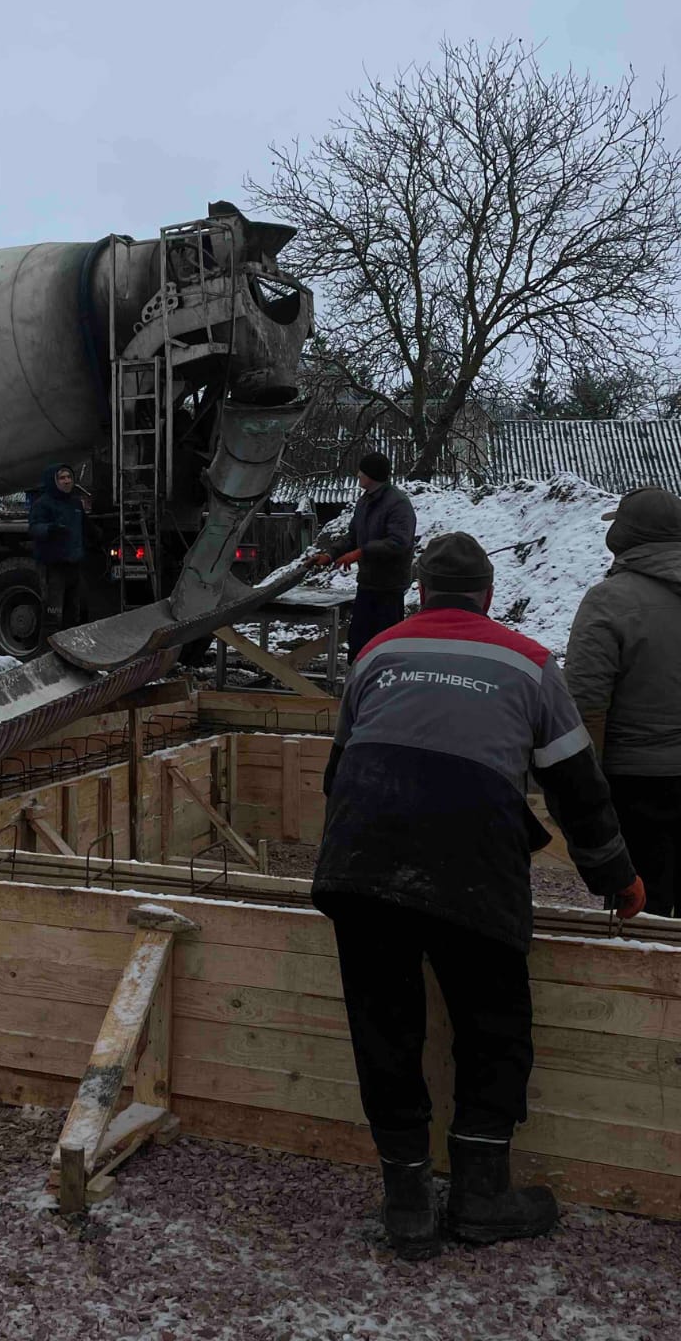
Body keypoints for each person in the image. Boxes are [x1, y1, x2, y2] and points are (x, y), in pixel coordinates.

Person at [313, 532, 644, 1259]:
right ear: (489, 597)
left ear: (420, 595)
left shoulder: (376, 654)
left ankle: (406, 1201)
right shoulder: (529, 662)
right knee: (493, 1023)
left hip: (360, 863)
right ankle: (480, 1194)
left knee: (384, 1024)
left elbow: (339, 776)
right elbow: (578, 790)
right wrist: (616, 877)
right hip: (472, 863)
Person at [565, 486, 681, 916]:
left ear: (626, 535)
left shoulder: (609, 600)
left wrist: (584, 795)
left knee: (642, 914)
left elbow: (585, 707)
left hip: (635, 782)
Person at [314, 451, 416, 662]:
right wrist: (329, 555)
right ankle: (357, 680)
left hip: (390, 587)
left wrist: (361, 552)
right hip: (367, 584)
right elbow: (352, 537)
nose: (358, 474)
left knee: (385, 645)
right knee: (358, 642)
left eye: (362, 471)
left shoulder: (398, 504)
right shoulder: (364, 502)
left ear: (373, 475)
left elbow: (398, 542)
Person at [28, 463, 87, 642]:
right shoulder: (43, 504)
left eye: (69, 477)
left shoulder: (75, 503)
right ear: (53, 481)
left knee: (73, 616)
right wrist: (50, 529)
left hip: (73, 565)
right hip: (53, 566)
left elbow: (85, 526)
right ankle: (46, 656)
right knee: (53, 615)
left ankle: (70, 654)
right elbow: (34, 528)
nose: (67, 481)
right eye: (62, 478)